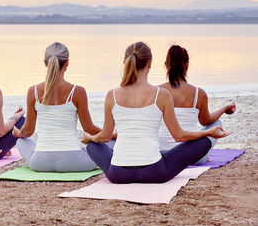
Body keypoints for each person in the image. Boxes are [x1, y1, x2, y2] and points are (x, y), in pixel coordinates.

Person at [82, 41, 229, 184]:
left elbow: (105, 136)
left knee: (92, 145)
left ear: (124, 62)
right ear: (150, 63)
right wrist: (208, 133)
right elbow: (179, 136)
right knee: (203, 142)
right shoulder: (162, 94)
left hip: (118, 174)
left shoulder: (111, 95)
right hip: (155, 172)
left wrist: (90, 137)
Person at [12, 42, 101, 172]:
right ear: (67, 63)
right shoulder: (78, 92)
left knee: (21, 141)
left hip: (40, 162)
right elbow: (89, 129)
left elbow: (28, 131)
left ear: (45, 63)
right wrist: (110, 134)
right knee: (109, 143)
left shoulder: (33, 91)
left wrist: (18, 133)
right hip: (73, 162)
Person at [158, 45, 236, 164]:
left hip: (162, 155)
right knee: (217, 123)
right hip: (193, 158)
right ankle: (204, 155)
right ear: (187, 64)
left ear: (166, 65)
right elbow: (206, 121)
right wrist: (224, 108)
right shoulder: (198, 93)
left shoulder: (157, 91)